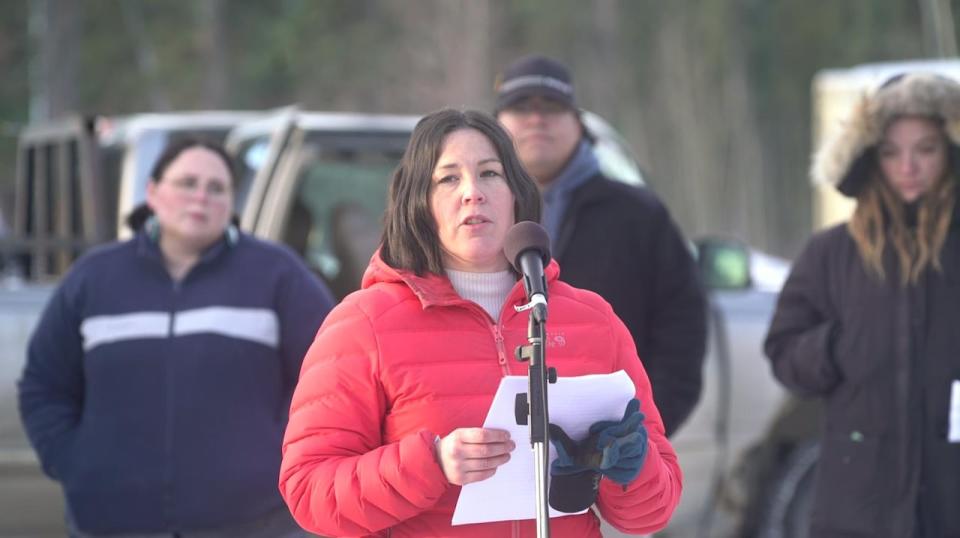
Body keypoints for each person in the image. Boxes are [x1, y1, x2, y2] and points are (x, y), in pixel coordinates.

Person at [278, 109, 681, 537]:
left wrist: (632, 469)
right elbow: (309, 492)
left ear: (515, 194)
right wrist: (430, 464)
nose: (473, 192)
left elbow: (651, 514)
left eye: (490, 174)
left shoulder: (592, 320)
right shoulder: (364, 324)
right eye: (448, 178)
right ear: (420, 202)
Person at [18, 139, 335, 537]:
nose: (201, 196)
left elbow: (330, 382)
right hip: (111, 520)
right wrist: (74, 463)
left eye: (216, 187)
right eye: (187, 182)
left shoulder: (279, 276)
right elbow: (43, 387)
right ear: (152, 192)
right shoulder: (94, 279)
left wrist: (278, 458)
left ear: (231, 202)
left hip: (255, 520)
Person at [764, 73, 960, 537]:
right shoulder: (833, 252)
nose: (908, 166)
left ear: (949, 151)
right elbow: (783, 350)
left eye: (925, 149)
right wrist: (836, 347)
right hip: (858, 503)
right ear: (871, 158)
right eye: (892, 152)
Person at [493, 55, 708, 437]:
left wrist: (639, 429)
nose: (536, 119)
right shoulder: (465, 214)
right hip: (486, 446)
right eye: (521, 105)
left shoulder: (638, 215)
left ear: (578, 124)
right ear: (496, 124)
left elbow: (682, 330)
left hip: (605, 445)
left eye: (553, 106)